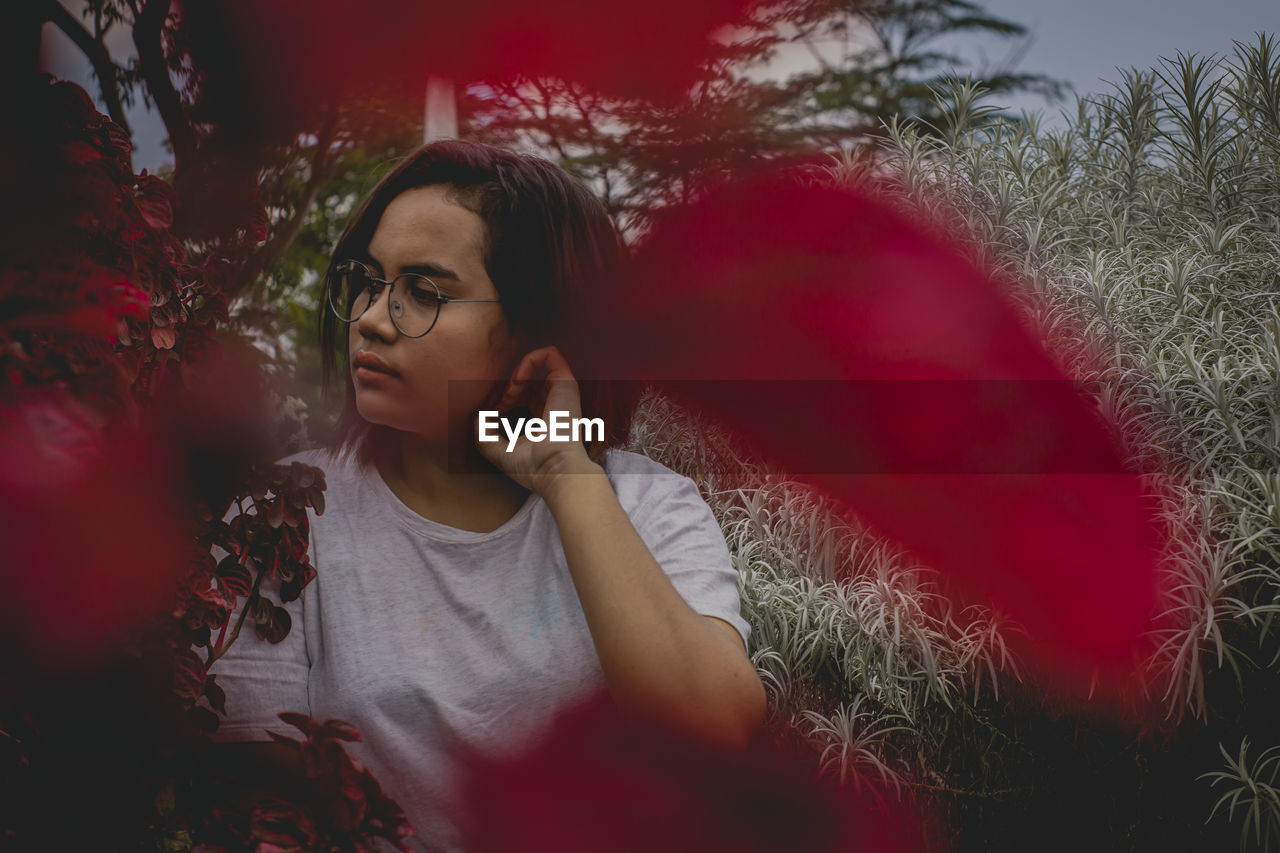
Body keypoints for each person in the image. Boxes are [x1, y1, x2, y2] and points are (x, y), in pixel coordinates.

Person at [207, 140, 766, 851]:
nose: (373, 318)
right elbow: (257, 808)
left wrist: (567, 475)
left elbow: (713, 736)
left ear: (536, 328)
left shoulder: (650, 506)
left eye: (424, 292)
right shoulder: (286, 514)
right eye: (370, 282)